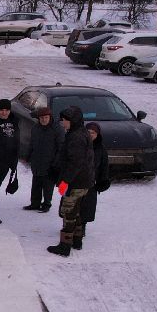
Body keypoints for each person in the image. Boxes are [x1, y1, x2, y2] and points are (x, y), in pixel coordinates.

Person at [47, 107, 94, 258]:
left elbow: (75, 162)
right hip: (83, 180)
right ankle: (77, 240)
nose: (62, 123)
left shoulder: (76, 137)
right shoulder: (79, 133)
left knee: (68, 211)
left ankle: (65, 245)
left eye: (65, 120)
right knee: (77, 210)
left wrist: (65, 181)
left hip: (75, 182)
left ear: (72, 121)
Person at [76, 121, 112, 250]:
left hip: (91, 182)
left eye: (93, 133)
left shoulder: (101, 149)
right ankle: (70, 225)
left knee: (86, 206)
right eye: (89, 132)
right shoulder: (79, 145)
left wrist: (103, 181)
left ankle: (82, 226)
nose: (91, 135)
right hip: (77, 180)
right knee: (74, 204)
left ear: (97, 134)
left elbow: (104, 166)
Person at [21, 106, 60, 213]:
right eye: (41, 118)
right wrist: (27, 156)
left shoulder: (57, 129)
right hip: (37, 161)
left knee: (48, 185)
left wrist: (56, 162)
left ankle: (47, 204)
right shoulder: (36, 128)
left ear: (50, 117)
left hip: (50, 162)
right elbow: (31, 144)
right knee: (36, 183)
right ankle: (35, 203)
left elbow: (61, 147)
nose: (44, 120)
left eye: (46, 117)